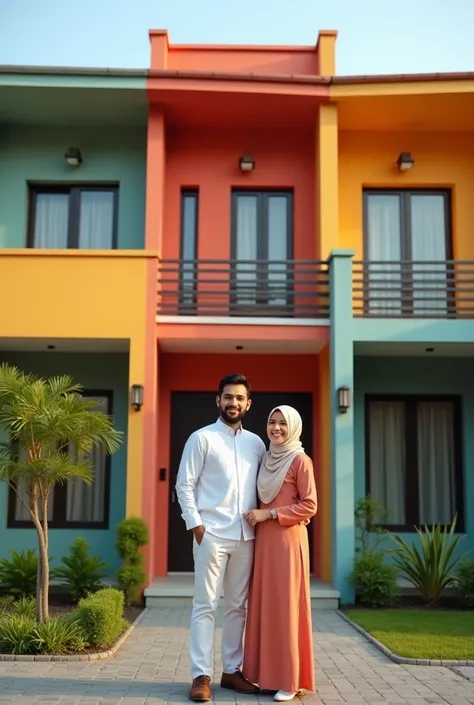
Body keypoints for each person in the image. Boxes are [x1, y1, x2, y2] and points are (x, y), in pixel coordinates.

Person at [176, 373, 266, 703]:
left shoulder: (256, 443)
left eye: (239, 398)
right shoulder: (201, 439)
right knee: (205, 606)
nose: (233, 403)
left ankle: (231, 671)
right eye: (228, 397)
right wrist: (196, 526)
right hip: (211, 534)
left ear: (248, 404)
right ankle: (201, 675)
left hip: (246, 536)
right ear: (218, 400)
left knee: (238, 607)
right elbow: (184, 484)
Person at [243, 405, 317, 702]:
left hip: (287, 541)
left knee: (287, 608)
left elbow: (310, 505)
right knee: (267, 607)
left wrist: (269, 514)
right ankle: (269, 676)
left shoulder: (300, 460)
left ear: (294, 428)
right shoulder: (266, 458)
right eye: (272, 422)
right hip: (265, 543)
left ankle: (291, 679)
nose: (276, 428)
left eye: (283, 424)